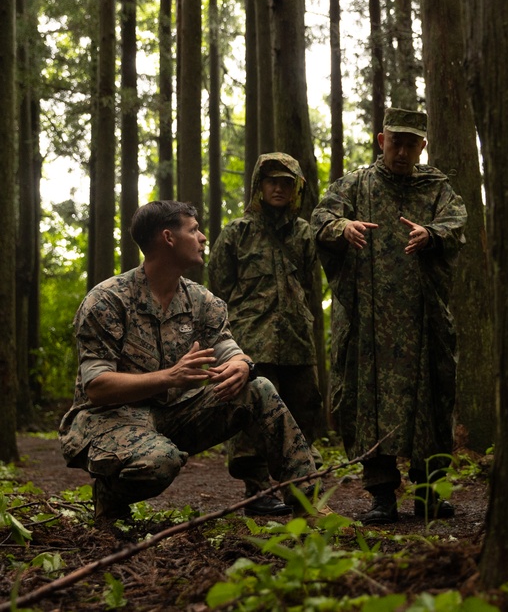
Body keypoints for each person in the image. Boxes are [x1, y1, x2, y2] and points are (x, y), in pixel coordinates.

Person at [58, 201, 321, 523]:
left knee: (259, 388)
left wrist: (241, 364)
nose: (202, 238)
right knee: (159, 463)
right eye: (193, 229)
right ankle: (110, 498)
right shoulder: (108, 300)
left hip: (174, 415)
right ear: (168, 238)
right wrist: (169, 377)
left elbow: (229, 347)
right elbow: (97, 388)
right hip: (109, 419)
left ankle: (309, 507)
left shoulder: (202, 300)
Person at [312, 108, 467, 525]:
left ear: (423, 146)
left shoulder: (437, 188)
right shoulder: (354, 184)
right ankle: (382, 495)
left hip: (424, 318)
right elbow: (319, 219)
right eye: (395, 141)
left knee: (432, 399)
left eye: (411, 143)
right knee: (367, 401)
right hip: (368, 322)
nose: (402, 150)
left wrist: (431, 233)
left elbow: (457, 222)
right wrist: (342, 227)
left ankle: (429, 493)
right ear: (381, 141)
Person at [208, 152, 324, 516]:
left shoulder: (304, 233)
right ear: (259, 186)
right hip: (251, 342)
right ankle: (256, 492)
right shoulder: (236, 233)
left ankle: (300, 491)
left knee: (303, 414)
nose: (279, 188)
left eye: (287, 182)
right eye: (272, 181)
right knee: (252, 418)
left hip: (296, 340)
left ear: (296, 189)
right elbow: (219, 290)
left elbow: (309, 284)